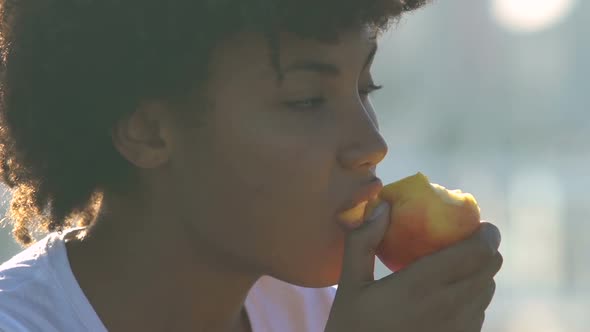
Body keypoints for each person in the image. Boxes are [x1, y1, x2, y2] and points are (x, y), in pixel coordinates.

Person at [0, 0, 503, 331]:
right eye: (307, 100)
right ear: (149, 130)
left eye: (364, 88)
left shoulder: (326, 316)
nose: (372, 144)